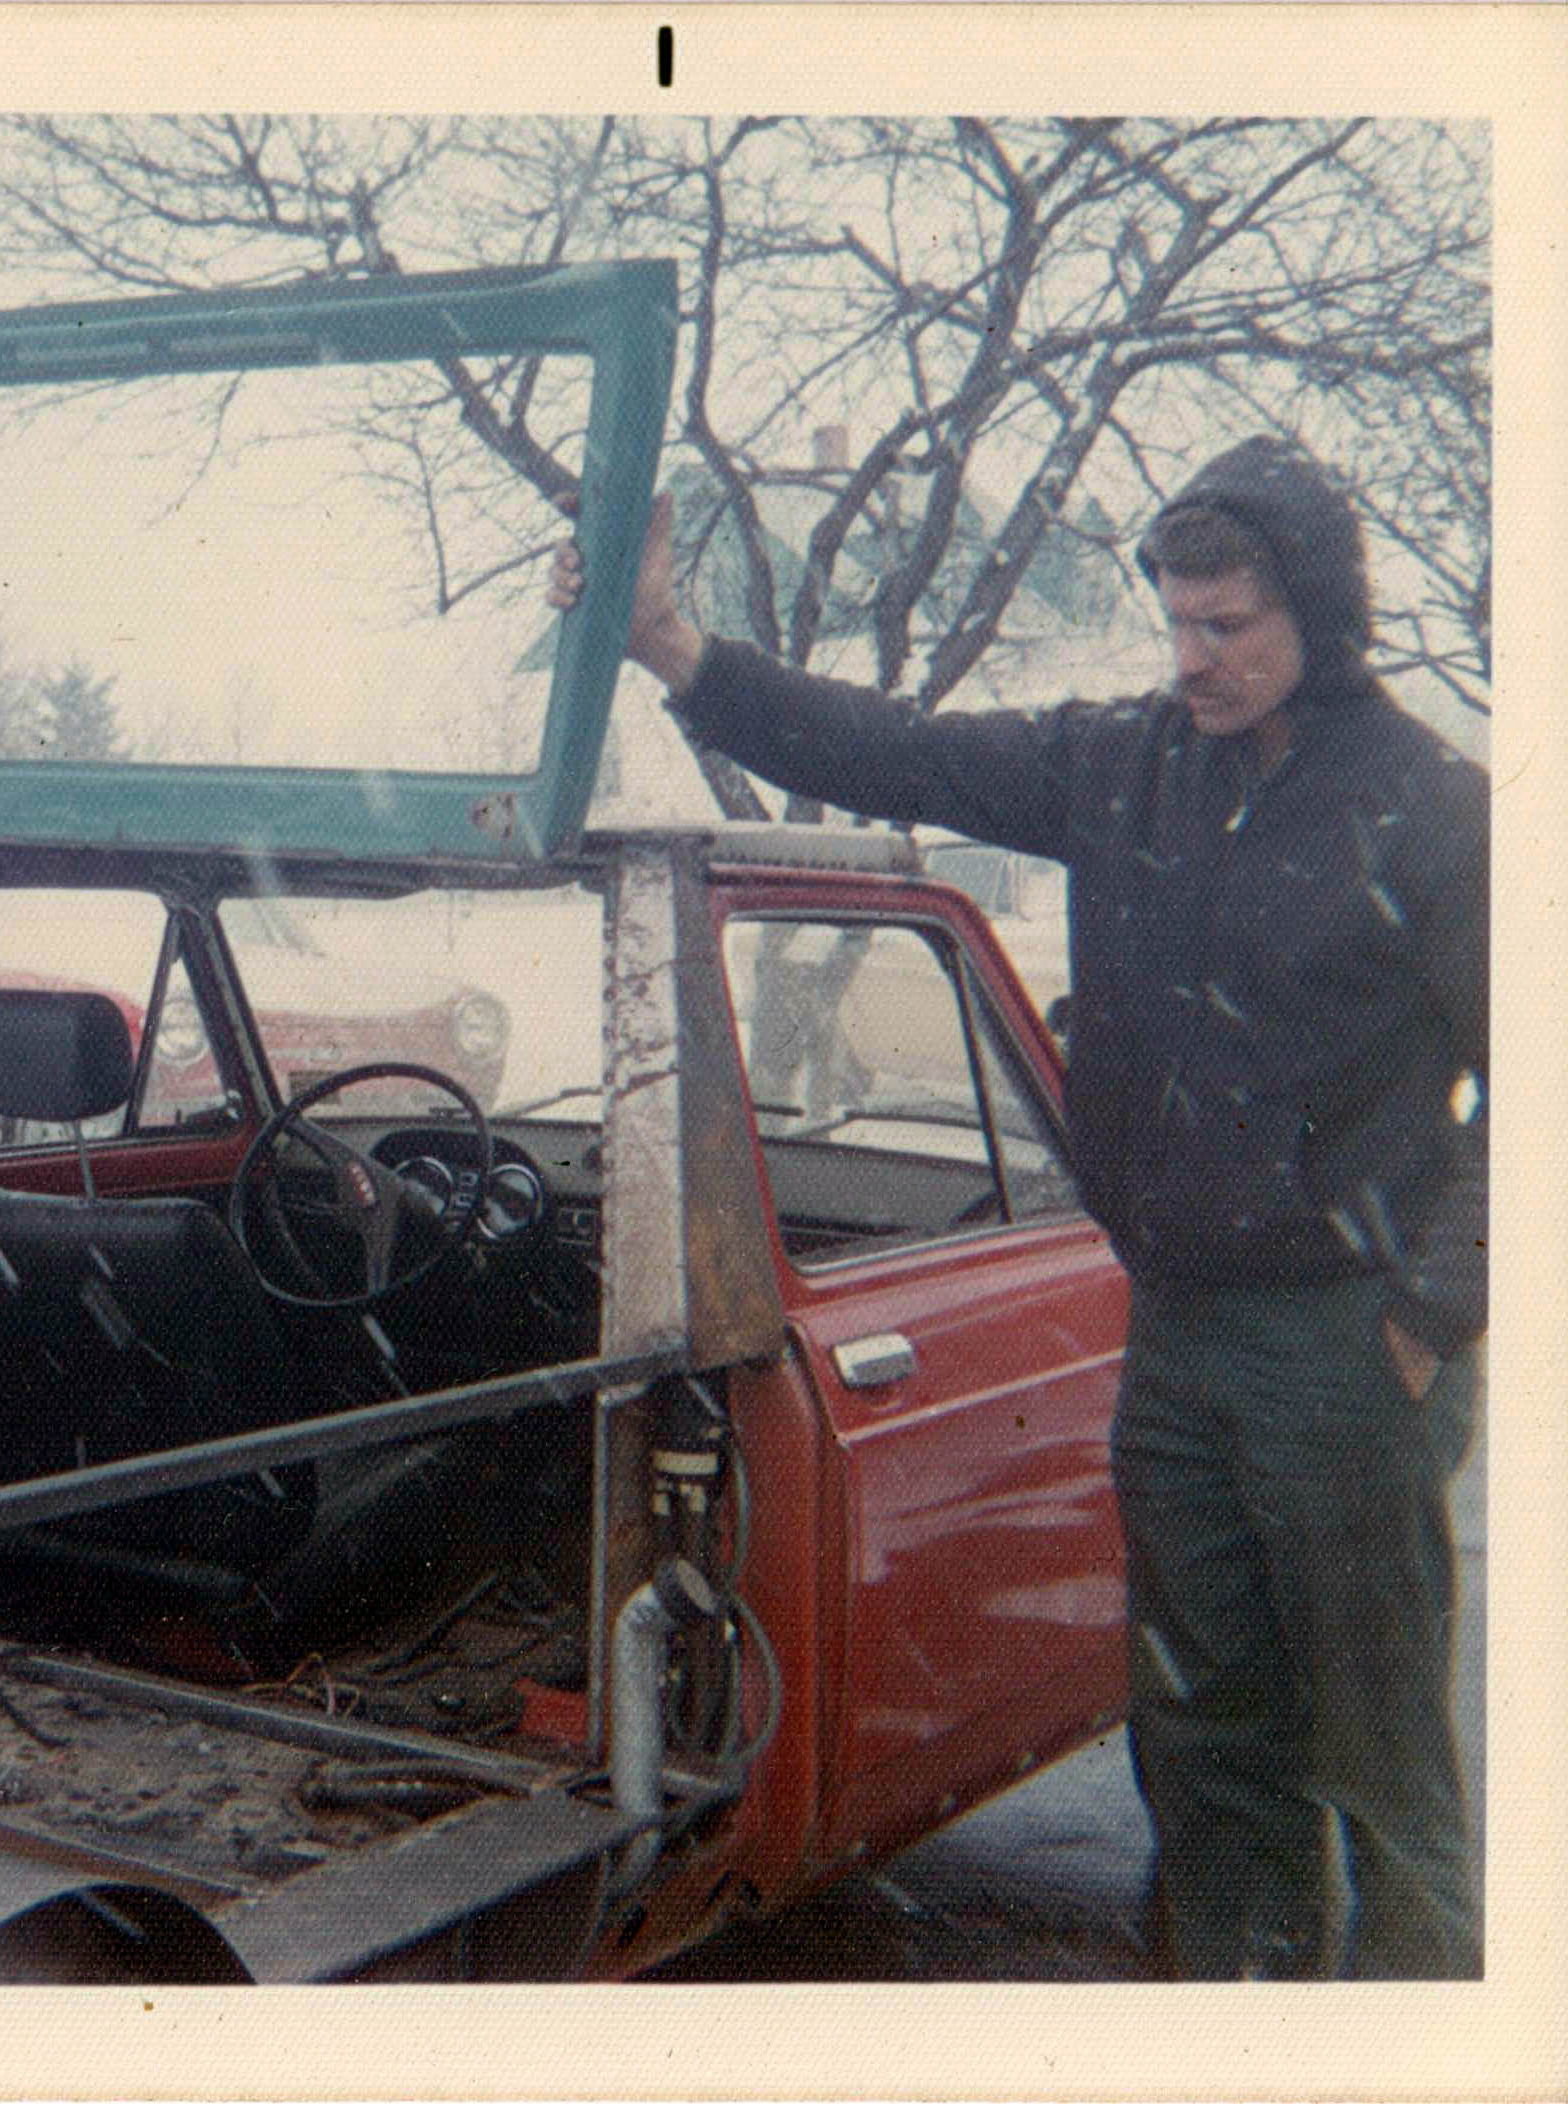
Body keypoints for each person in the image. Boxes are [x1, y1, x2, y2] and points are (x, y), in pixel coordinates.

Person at [552, 438, 1486, 1978]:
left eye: (1227, 626)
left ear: (1319, 616)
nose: (1192, 658)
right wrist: (674, 646)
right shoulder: (1124, 766)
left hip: (1341, 1341)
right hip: (1175, 1332)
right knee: (1198, 1730)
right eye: (1176, 623)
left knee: (1376, 1752)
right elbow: (893, 750)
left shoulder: (1432, 809)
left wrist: (1427, 1310)